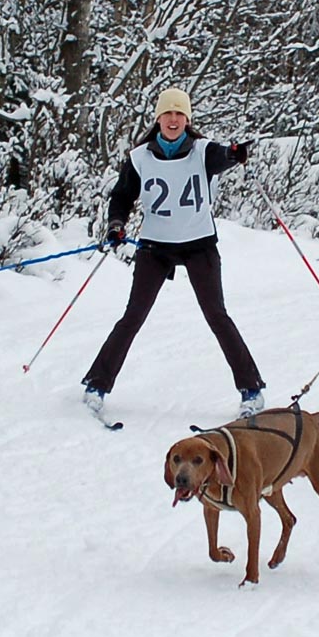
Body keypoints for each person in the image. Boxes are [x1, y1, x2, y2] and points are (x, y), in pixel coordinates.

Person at [81, 87, 266, 418]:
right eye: (168, 113)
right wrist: (116, 224)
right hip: (155, 247)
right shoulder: (140, 157)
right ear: (158, 118)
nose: (173, 119)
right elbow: (121, 197)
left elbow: (224, 156)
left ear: (187, 119)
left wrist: (235, 153)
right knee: (133, 316)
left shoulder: (202, 151)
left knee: (217, 315)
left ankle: (251, 389)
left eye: (180, 114)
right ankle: (96, 385)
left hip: (199, 245)